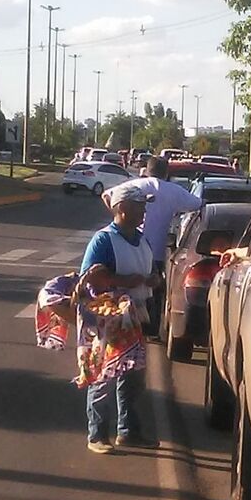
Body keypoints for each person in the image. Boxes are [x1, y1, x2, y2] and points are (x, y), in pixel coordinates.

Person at [81, 184, 161, 454]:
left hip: (135, 317)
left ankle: (129, 431)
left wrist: (154, 279)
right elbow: (88, 278)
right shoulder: (104, 240)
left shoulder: (142, 240)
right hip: (107, 318)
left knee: (133, 376)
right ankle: (98, 434)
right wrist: (122, 281)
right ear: (123, 209)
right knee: (104, 374)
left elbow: (155, 272)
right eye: (140, 206)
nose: (144, 211)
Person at [102, 156, 203, 336]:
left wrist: (118, 217)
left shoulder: (134, 186)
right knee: (154, 290)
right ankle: (149, 327)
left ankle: (125, 323)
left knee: (126, 286)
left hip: (131, 245)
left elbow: (106, 194)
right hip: (158, 250)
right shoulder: (174, 191)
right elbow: (199, 205)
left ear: (147, 170)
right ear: (166, 172)